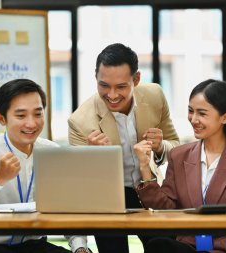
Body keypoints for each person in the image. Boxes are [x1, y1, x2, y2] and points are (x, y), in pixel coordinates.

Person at [134, 79, 226, 253]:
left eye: (202, 113)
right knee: (157, 245)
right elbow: (166, 210)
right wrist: (145, 167)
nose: (193, 119)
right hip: (192, 245)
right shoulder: (178, 156)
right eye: (191, 111)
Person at [0, 79, 90, 253]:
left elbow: (69, 209)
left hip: (34, 245)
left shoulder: (51, 152)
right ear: (1, 119)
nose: (31, 123)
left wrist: (80, 248)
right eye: (21, 115)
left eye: (38, 114)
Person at [68, 43, 180, 253]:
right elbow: (79, 184)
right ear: (96, 78)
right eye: (104, 86)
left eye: (121, 86)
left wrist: (160, 147)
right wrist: (90, 158)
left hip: (149, 189)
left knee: (164, 246)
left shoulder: (155, 95)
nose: (111, 95)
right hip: (108, 196)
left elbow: (176, 148)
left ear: (136, 80)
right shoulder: (79, 121)